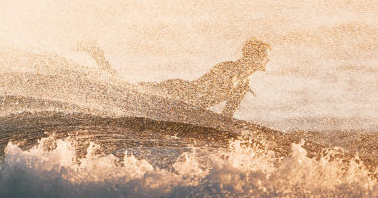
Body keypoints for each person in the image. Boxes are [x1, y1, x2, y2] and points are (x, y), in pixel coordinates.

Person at [85, 39, 271, 118]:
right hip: (176, 91)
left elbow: (227, 116)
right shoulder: (227, 68)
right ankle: (97, 55)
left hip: (184, 105)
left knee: (125, 89)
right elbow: (200, 93)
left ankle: (97, 56)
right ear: (253, 57)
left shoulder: (245, 82)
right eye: (265, 55)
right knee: (124, 87)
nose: (268, 59)